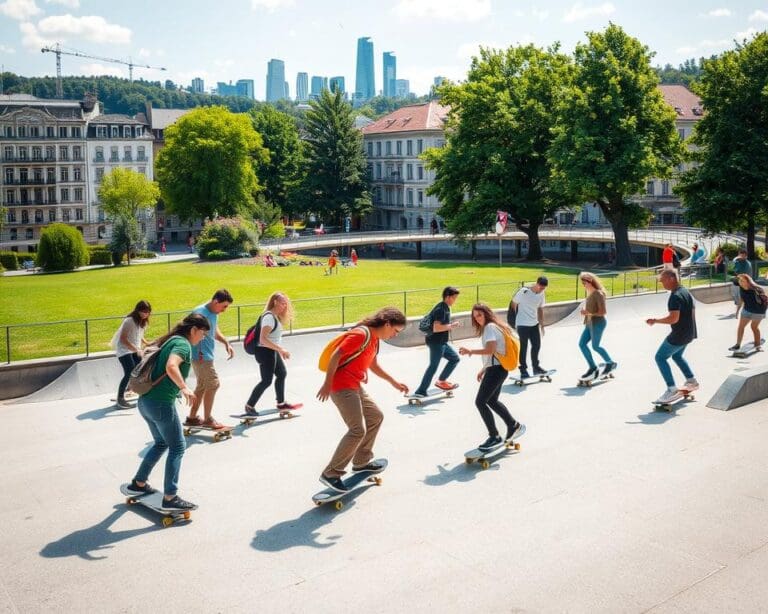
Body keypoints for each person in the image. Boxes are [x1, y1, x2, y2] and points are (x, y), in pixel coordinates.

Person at [316, 307, 409, 492]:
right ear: (387, 324)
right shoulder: (361, 334)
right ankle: (331, 473)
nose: (394, 335)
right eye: (395, 331)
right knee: (357, 430)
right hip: (341, 386)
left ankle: (361, 462)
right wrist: (327, 383)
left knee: (376, 416)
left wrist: (394, 382)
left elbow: (373, 364)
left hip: (355, 386)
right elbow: (337, 355)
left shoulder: (375, 340)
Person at [124, 312, 210, 511]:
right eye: (203, 333)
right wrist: (184, 387)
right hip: (161, 404)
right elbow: (172, 366)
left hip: (145, 402)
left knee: (161, 442)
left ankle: (138, 484)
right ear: (194, 330)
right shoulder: (182, 344)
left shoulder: (171, 340)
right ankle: (170, 497)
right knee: (178, 447)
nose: (202, 337)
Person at [459, 303, 526, 452]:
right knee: (492, 401)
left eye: (479, 315)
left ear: (486, 314)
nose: (477, 319)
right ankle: (513, 425)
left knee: (480, 402)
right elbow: (495, 352)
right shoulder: (497, 326)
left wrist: (470, 351)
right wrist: (484, 369)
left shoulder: (489, 327)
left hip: (496, 370)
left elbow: (491, 349)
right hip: (498, 369)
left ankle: (494, 436)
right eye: (475, 317)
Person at [646, 269, 699, 404]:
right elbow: (692, 312)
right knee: (677, 356)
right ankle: (691, 381)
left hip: (679, 335)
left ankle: (671, 389)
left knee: (660, 357)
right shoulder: (685, 291)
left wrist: (655, 320)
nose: (662, 284)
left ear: (671, 279)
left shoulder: (675, 296)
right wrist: (693, 332)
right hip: (689, 333)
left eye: (663, 281)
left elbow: (673, 319)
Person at [244, 292, 302, 415]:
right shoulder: (269, 317)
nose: (284, 306)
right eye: (282, 303)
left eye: (286, 303)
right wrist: (281, 350)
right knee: (266, 381)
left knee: (281, 373)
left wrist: (278, 350)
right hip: (264, 352)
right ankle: (249, 406)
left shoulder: (275, 316)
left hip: (271, 350)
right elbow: (263, 339)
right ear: (275, 302)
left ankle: (281, 403)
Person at [185, 289, 235, 430]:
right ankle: (208, 419)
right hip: (200, 356)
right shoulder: (199, 313)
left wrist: (225, 342)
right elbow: (190, 333)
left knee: (202, 386)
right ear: (215, 301)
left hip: (206, 355)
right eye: (224, 306)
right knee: (213, 384)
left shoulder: (214, 313)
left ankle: (192, 418)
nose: (225, 310)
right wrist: (197, 352)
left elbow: (214, 329)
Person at [413, 286, 461, 397]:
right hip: (436, 342)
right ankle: (421, 390)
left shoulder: (444, 307)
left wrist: (449, 326)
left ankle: (441, 381)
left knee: (454, 358)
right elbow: (436, 328)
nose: (455, 300)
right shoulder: (441, 309)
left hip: (442, 342)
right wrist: (451, 326)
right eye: (454, 298)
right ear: (448, 297)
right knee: (433, 366)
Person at [577, 273, 616, 380]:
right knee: (582, 344)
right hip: (589, 324)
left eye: (584, 283)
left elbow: (603, 312)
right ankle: (593, 367)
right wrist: (586, 313)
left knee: (595, 346)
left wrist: (588, 313)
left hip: (598, 323)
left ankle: (610, 363)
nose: (583, 285)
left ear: (590, 281)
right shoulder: (590, 293)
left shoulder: (598, 293)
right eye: (582, 283)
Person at [114, 300, 151, 409]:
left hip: (134, 349)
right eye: (144, 312)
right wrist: (137, 349)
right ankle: (120, 399)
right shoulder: (129, 321)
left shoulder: (142, 321)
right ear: (138, 310)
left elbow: (139, 335)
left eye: (148, 312)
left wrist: (147, 343)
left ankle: (131, 389)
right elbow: (123, 339)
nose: (146, 314)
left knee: (140, 369)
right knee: (129, 371)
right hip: (124, 350)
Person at [510, 276, 549, 380]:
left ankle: (536, 367)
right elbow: (513, 303)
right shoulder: (524, 292)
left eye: (544, 288)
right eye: (540, 287)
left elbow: (540, 308)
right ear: (536, 283)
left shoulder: (541, 294)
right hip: (522, 324)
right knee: (524, 347)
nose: (542, 290)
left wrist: (542, 324)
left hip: (534, 324)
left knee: (536, 345)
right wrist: (514, 318)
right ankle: (523, 370)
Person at [729, 274, 767, 352]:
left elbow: (764, 300)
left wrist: (763, 312)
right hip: (746, 310)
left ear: (748, 281)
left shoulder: (757, 289)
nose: (741, 282)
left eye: (743, 281)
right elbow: (742, 300)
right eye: (740, 281)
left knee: (754, 327)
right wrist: (737, 311)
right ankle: (737, 344)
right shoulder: (741, 288)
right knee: (741, 326)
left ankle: (758, 345)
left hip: (758, 311)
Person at [731, 249, 752, 317]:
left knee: (741, 298)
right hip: (736, 282)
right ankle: (738, 311)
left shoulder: (747, 264)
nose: (742, 257)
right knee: (737, 297)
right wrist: (735, 259)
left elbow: (743, 275)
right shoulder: (737, 261)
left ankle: (738, 312)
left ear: (746, 256)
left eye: (743, 256)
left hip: (744, 283)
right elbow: (730, 269)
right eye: (740, 255)